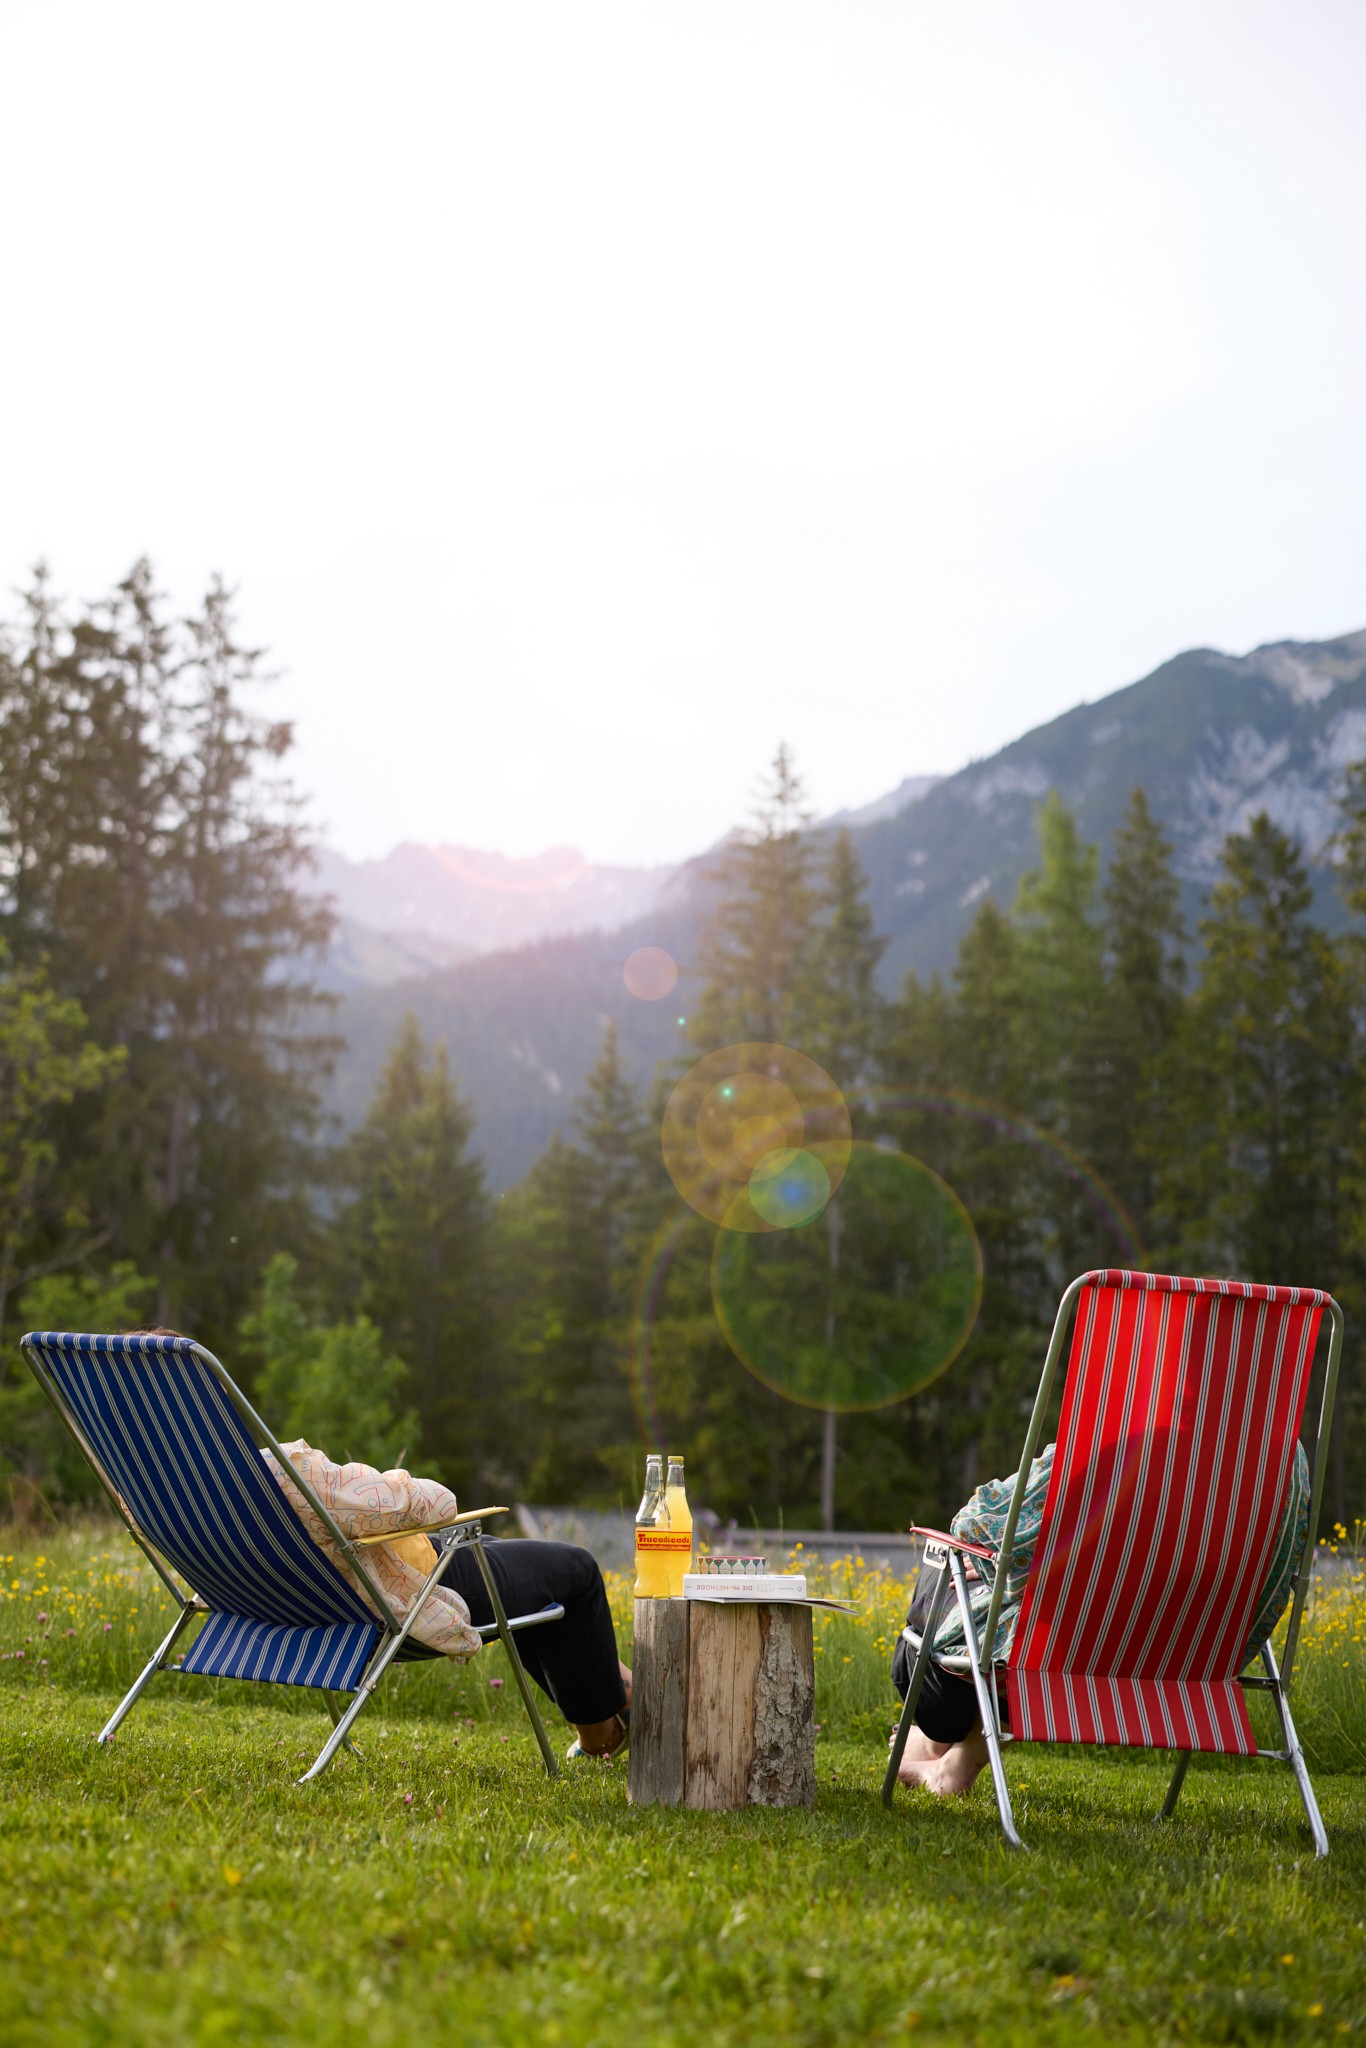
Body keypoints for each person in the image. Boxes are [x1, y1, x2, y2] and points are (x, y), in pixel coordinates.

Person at [889, 1437, 1311, 1797]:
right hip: (1199, 1653)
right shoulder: (1288, 1452)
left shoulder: (1127, 1423)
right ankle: (956, 1760)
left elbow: (989, 1524)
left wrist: (988, 1556)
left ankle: (936, 1739)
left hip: (1071, 1653)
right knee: (1033, 1600)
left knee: (948, 1572)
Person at [265, 1438, 632, 1762]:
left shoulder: (234, 1496)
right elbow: (440, 1503)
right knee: (577, 1570)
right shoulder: (284, 1471)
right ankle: (603, 1730)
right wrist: (388, 1480)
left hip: (327, 1604)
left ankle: (617, 1689)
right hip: (413, 1591)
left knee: (515, 1561)